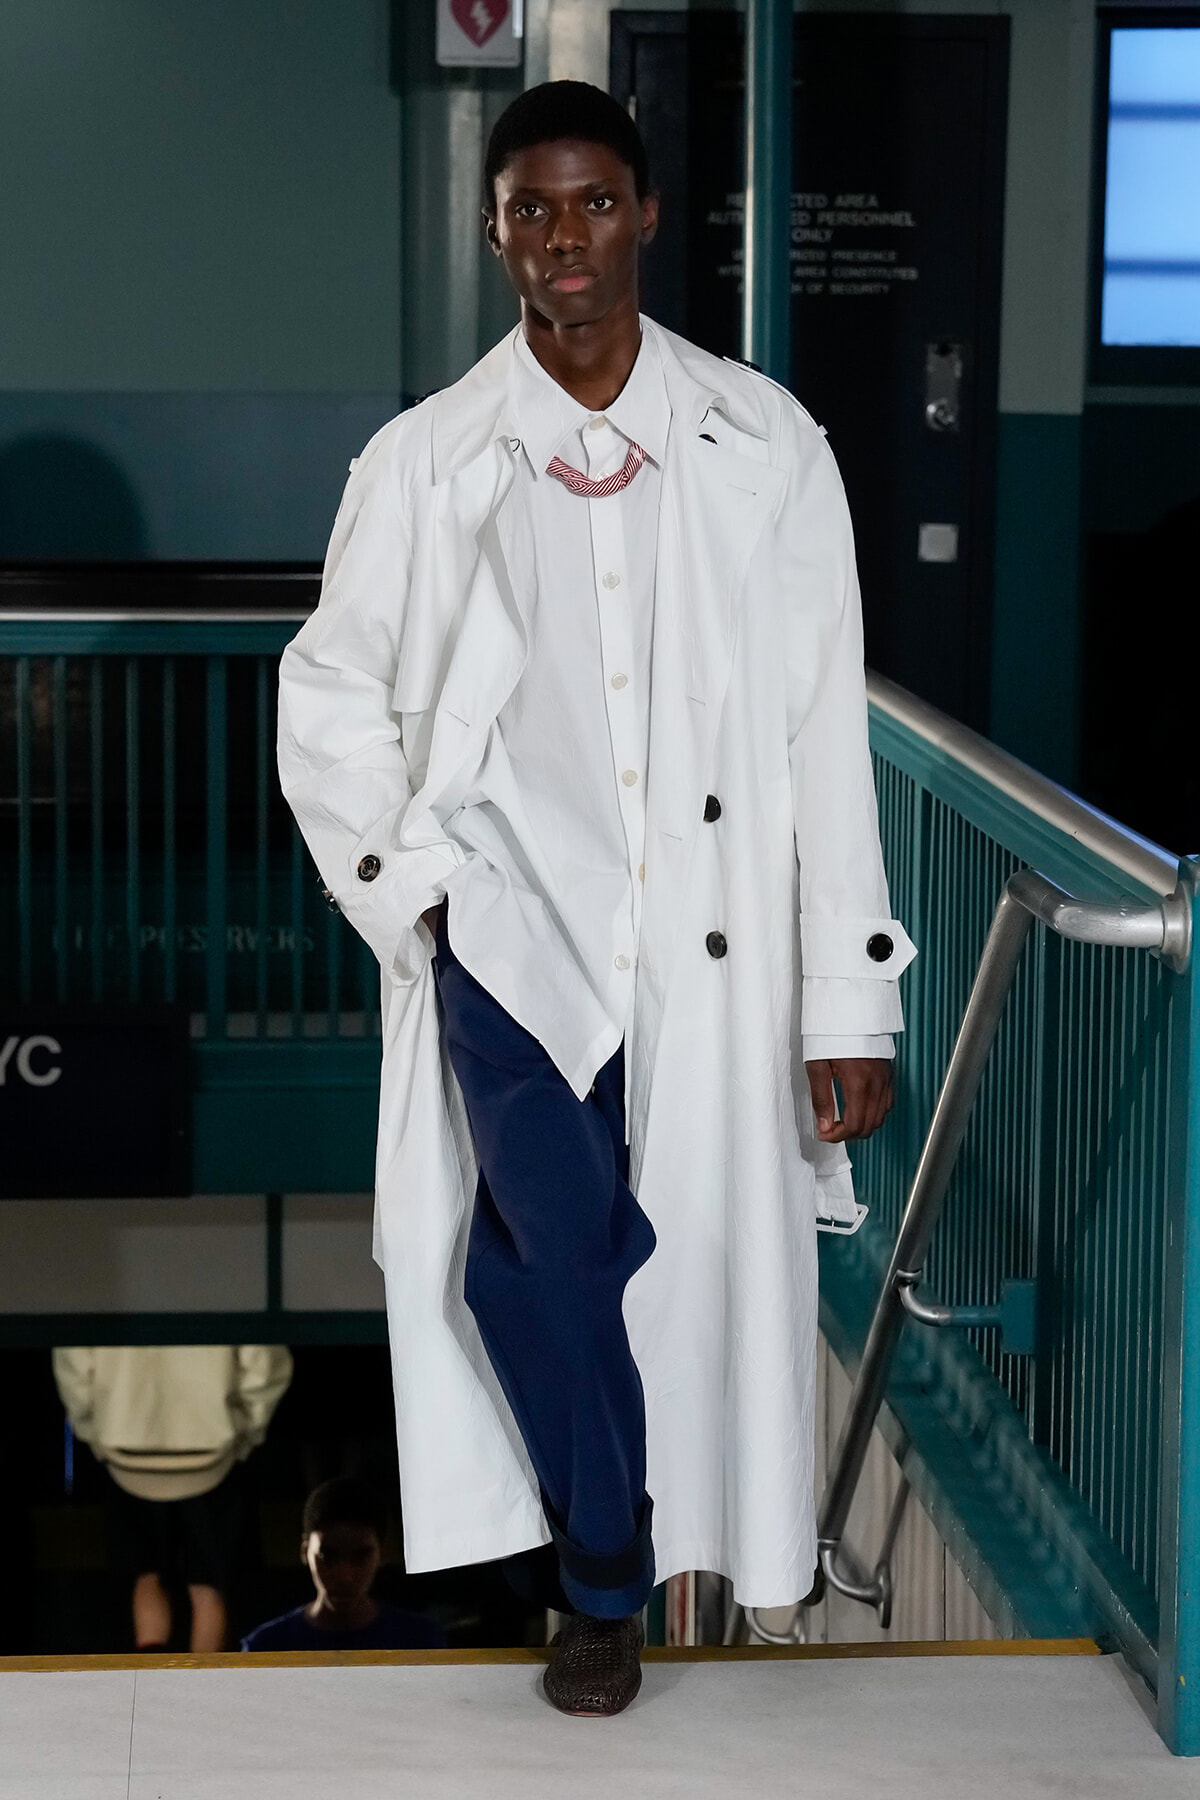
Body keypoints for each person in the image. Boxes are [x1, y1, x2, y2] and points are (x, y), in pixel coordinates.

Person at [277, 80, 915, 1716]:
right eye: (531, 212)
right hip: (507, 929)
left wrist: (847, 993)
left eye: (594, 205)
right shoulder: (425, 463)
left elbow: (818, 726)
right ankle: (604, 1577)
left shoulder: (766, 444)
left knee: (641, 1263)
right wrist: (413, 892)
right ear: (495, 233)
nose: (565, 239)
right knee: (544, 1265)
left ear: (640, 214)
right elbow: (329, 692)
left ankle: (628, 1546)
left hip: (706, 949)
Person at [53, 1344, 293, 1652]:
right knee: (208, 1585)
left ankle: (152, 1691)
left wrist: (95, 1432)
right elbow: (264, 1363)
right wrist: (245, 1434)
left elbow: (72, 1363)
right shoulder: (228, 1291)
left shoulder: (94, 1292)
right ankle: (203, 1696)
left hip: (126, 1453)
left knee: (147, 1575)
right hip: (211, 1453)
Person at [241, 1476, 446, 1652]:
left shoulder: (420, 1642)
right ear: (305, 1552)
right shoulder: (265, 1647)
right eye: (326, 1556)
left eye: (360, 1557)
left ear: (382, 1554)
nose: (344, 1576)